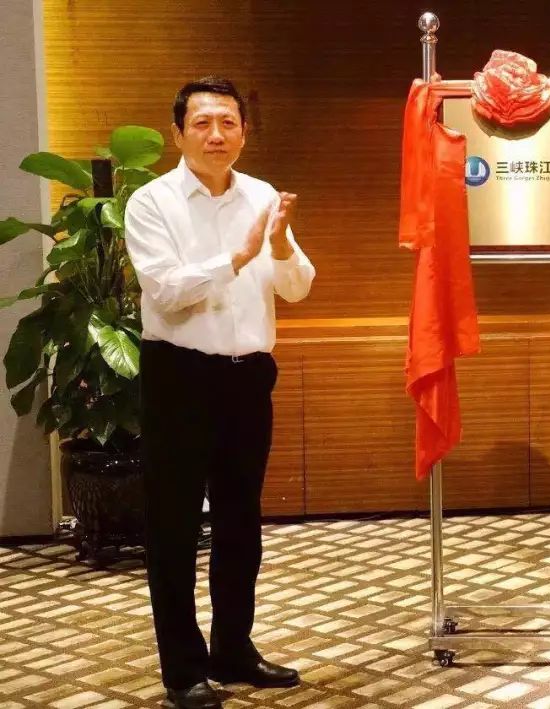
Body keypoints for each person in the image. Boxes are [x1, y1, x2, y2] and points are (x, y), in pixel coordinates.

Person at [124, 76, 315, 709]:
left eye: (228, 122)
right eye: (202, 123)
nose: (216, 134)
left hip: (248, 376)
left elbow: (296, 288)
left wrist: (279, 246)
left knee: (241, 521)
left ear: (244, 132)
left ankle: (234, 648)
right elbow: (165, 290)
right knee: (174, 526)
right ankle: (183, 669)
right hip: (179, 375)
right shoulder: (151, 202)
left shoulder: (261, 195)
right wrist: (237, 257)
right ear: (178, 133)